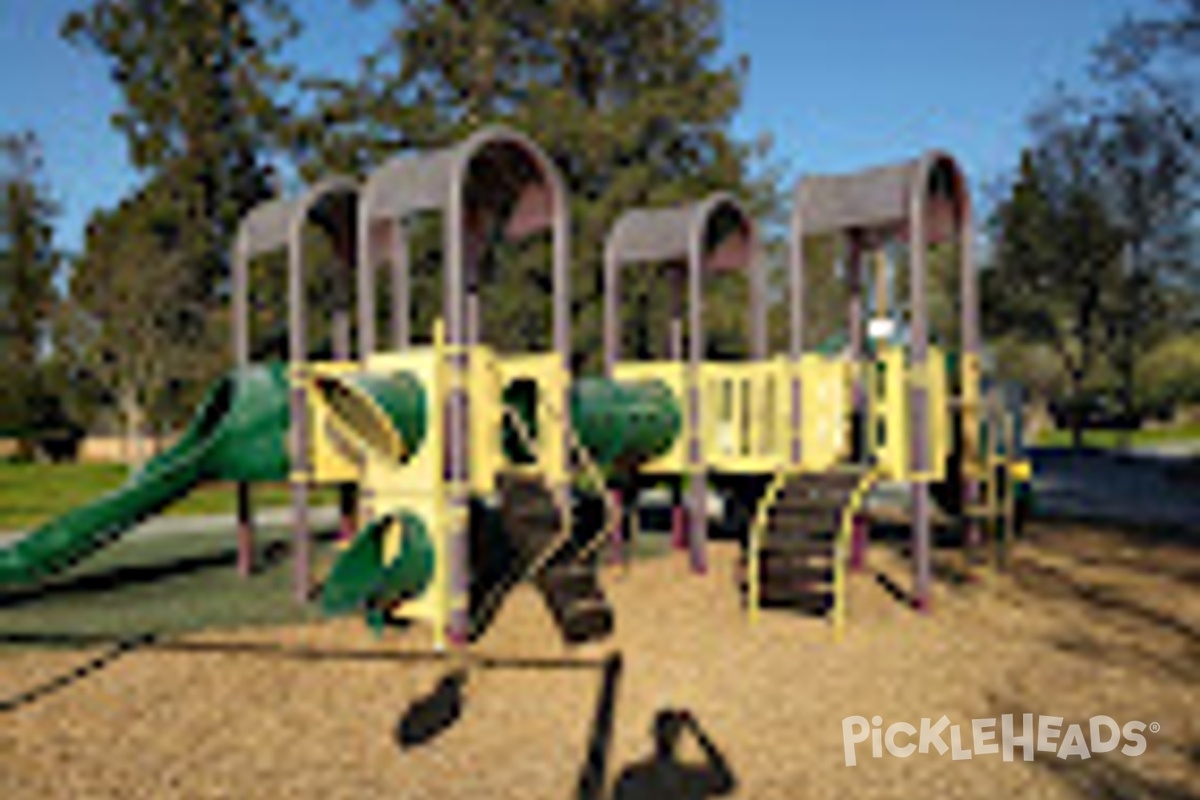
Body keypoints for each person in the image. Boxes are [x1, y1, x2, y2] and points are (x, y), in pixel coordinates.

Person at [612, 709, 736, 800]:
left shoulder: (689, 778)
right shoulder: (689, 779)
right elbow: (726, 780)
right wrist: (697, 732)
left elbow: (727, 782)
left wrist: (698, 733)